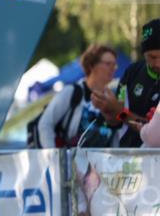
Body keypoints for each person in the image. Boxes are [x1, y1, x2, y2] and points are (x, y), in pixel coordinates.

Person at [91, 18, 160, 147]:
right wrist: (107, 109)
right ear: (143, 54)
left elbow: (153, 132)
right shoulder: (132, 72)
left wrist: (120, 112)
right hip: (128, 155)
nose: (157, 63)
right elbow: (117, 118)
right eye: (152, 57)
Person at [36, 44, 117, 148]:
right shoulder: (72, 92)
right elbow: (45, 123)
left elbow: (117, 132)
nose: (113, 68)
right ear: (92, 65)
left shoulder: (112, 97)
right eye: (108, 64)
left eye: (114, 65)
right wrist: (54, 158)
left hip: (103, 163)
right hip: (71, 162)